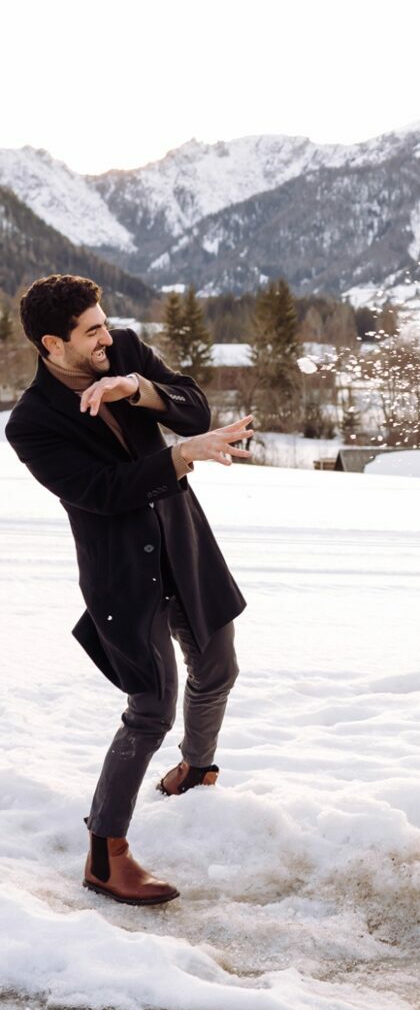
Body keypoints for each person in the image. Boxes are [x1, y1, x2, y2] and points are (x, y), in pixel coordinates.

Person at [7, 274, 253, 904]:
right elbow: (103, 492)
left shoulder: (123, 351)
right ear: (52, 344)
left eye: (104, 322)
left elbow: (193, 408)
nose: (106, 337)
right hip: (121, 574)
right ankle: (104, 854)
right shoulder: (30, 424)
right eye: (91, 331)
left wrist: (137, 389)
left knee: (218, 668)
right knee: (150, 710)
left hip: (184, 544)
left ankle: (194, 769)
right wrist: (182, 456)